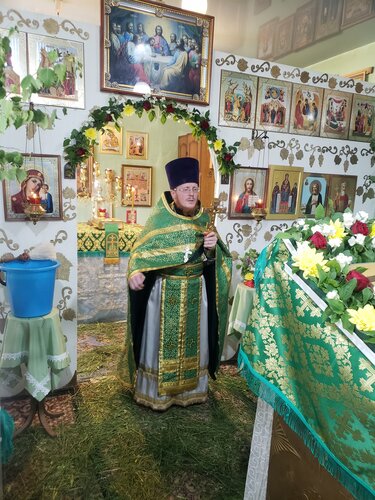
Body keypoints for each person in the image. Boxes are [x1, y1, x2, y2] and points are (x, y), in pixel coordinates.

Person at [126, 157, 232, 411]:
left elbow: (214, 264)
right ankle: (158, 394)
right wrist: (135, 272)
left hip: (196, 292)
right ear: (173, 192)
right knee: (160, 343)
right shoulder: (159, 220)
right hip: (165, 293)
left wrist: (211, 250)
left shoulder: (204, 219)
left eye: (195, 188)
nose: (192, 193)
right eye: (185, 189)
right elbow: (139, 252)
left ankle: (190, 392)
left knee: (196, 341)